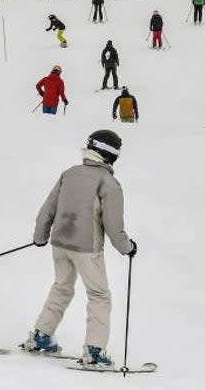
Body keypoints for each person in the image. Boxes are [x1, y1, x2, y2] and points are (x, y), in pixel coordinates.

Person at [26, 130, 135, 367]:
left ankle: (41, 336)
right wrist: (127, 248)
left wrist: (40, 236)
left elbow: (47, 209)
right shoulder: (108, 182)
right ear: (110, 156)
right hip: (87, 248)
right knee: (99, 295)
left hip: (60, 244)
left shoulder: (69, 174)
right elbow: (114, 225)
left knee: (62, 287)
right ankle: (94, 351)